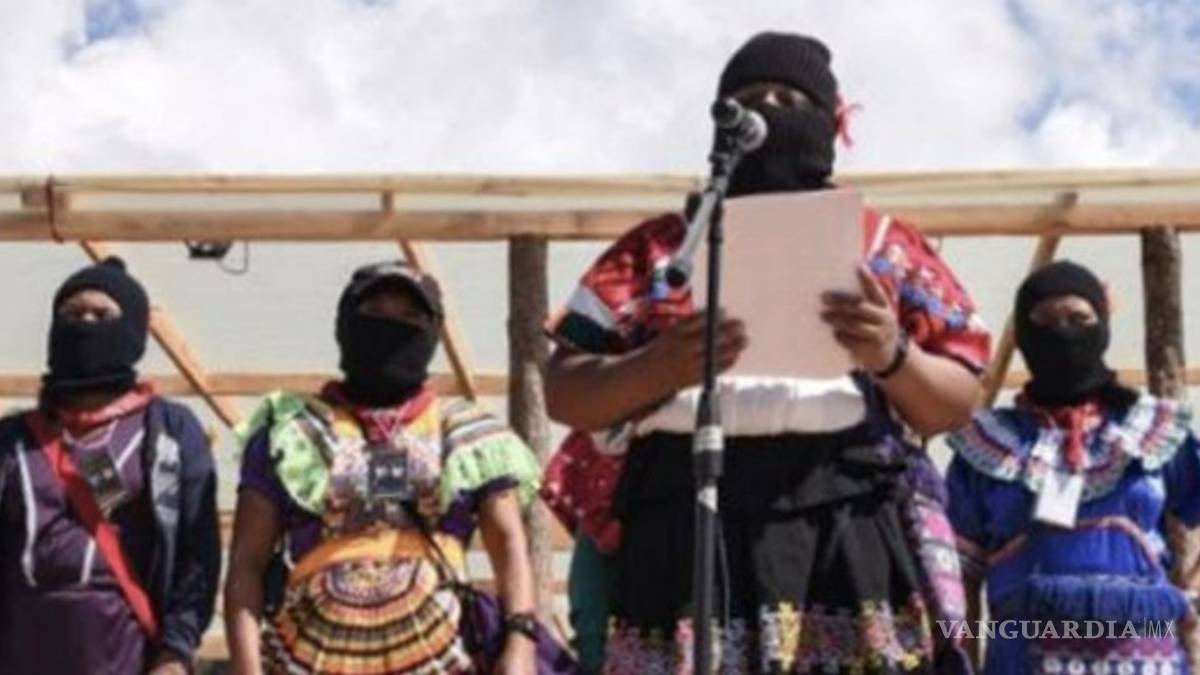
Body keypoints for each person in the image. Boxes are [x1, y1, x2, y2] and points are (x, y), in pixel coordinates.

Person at [543, 31, 991, 674]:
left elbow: (957, 401)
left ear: (830, 123)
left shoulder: (887, 246)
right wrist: (657, 367)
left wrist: (892, 354)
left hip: (843, 516)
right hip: (683, 518)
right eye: (749, 98)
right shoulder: (661, 248)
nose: (769, 110)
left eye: (791, 99)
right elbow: (564, 389)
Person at [224, 261, 554, 675]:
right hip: (307, 658)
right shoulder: (292, 433)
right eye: (374, 312)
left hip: (442, 657)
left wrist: (520, 642)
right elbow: (247, 563)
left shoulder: (468, 433)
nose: (389, 327)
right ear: (345, 322)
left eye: (410, 318)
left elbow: (508, 544)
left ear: (432, 332)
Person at [946, 260, 1200, 675]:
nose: (1063, 333)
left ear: (1103, 325)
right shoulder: (987, 444)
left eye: (1079, 319)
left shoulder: (1151, 429)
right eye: (1044, 322)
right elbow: (960, 577)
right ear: (1023, 337)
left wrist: (1188, 597)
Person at [0, 257, 221, 674]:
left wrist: (175, 652)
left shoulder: (169, 432)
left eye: (101, 315)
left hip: (126, 655)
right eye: (73, 313)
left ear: (132, 330)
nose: (85, 323)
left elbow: (198, 551)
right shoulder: (12, 441)